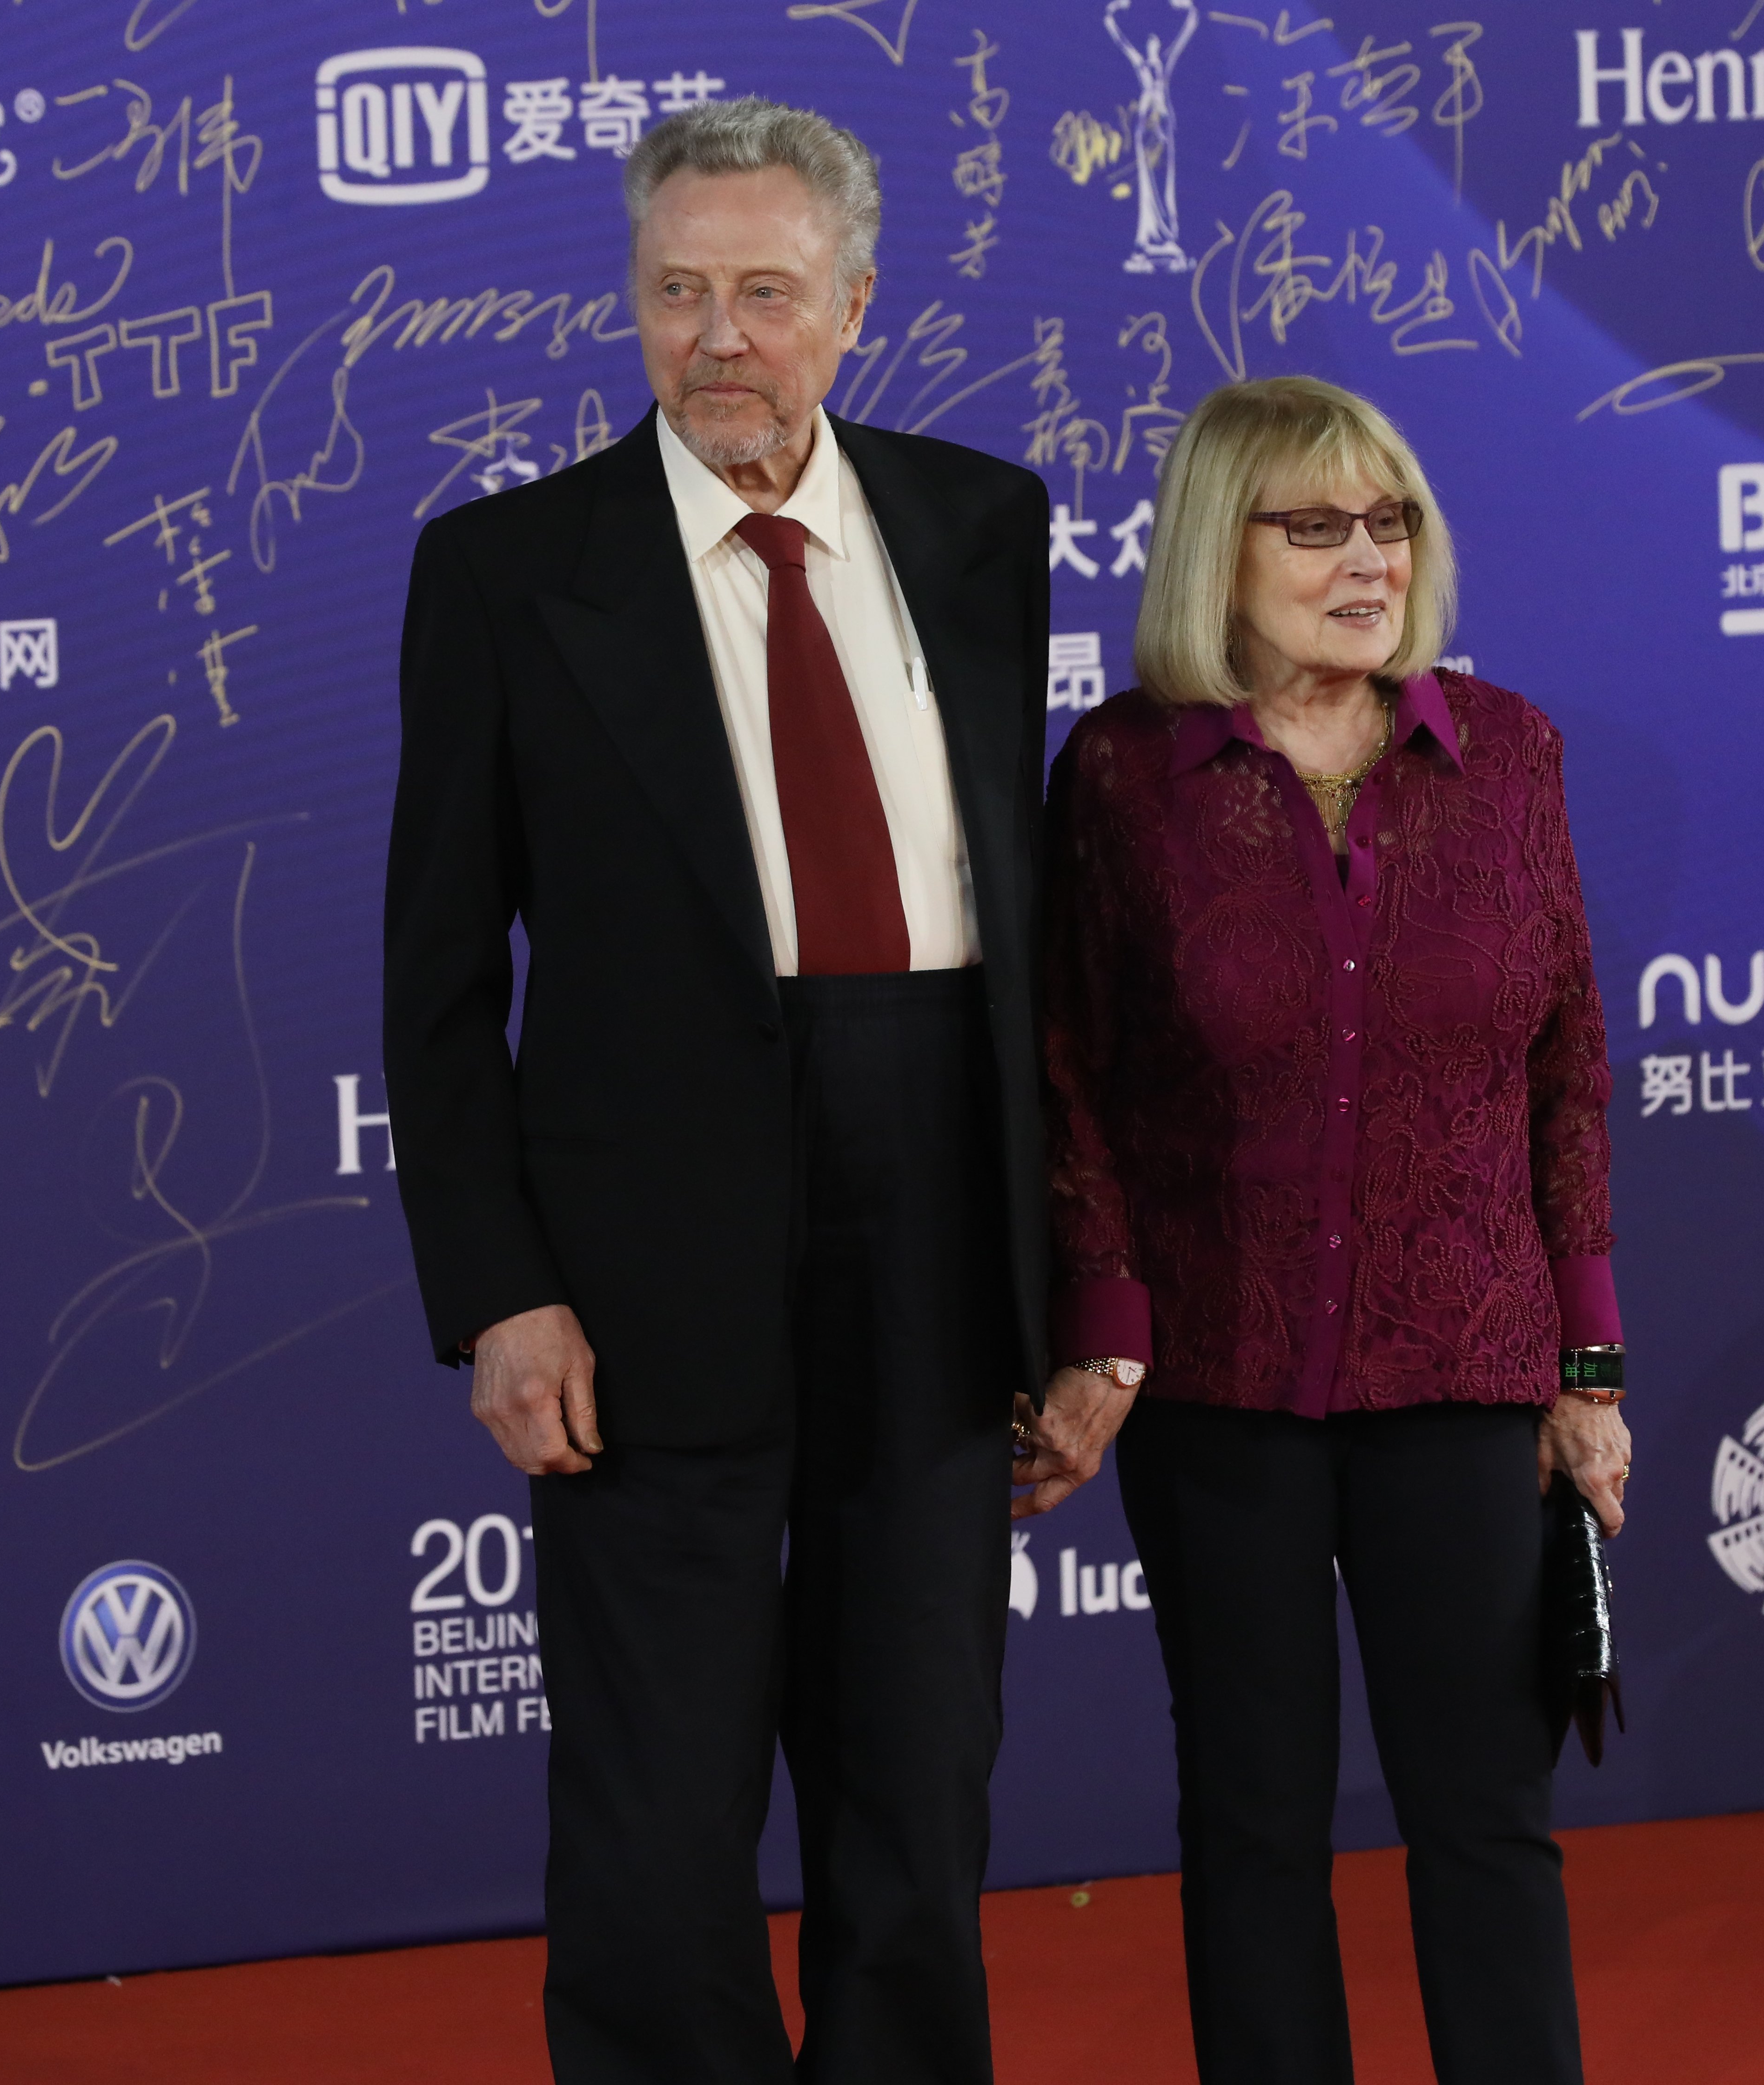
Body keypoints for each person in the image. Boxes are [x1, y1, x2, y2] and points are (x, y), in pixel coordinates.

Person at [381, 98, 1057, 2085]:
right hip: (641, 1263)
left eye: (767, 293)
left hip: (935, 1214)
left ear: (853, 306)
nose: (720, 339)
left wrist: (1074, 1281)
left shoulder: (980, 528)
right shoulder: (509, 574)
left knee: (920, 1780)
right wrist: (499, 1291)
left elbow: (1026, 936)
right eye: (678, 293)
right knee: (658, 1819)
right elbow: (434, 986)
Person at [1028, 376, 1633, 2085]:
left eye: (1390, 524)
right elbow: (1072, 1066)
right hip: (1220, 1389)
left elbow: (1569, 1063)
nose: (1365, 560)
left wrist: (1585, 1365)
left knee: (1484, 1821)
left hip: (1465, 1371)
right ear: (1221, 553)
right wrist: (1107, 1319)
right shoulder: (1127, 775)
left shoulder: (1507, 752)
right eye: (1315, 526)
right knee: (1253, 1828)